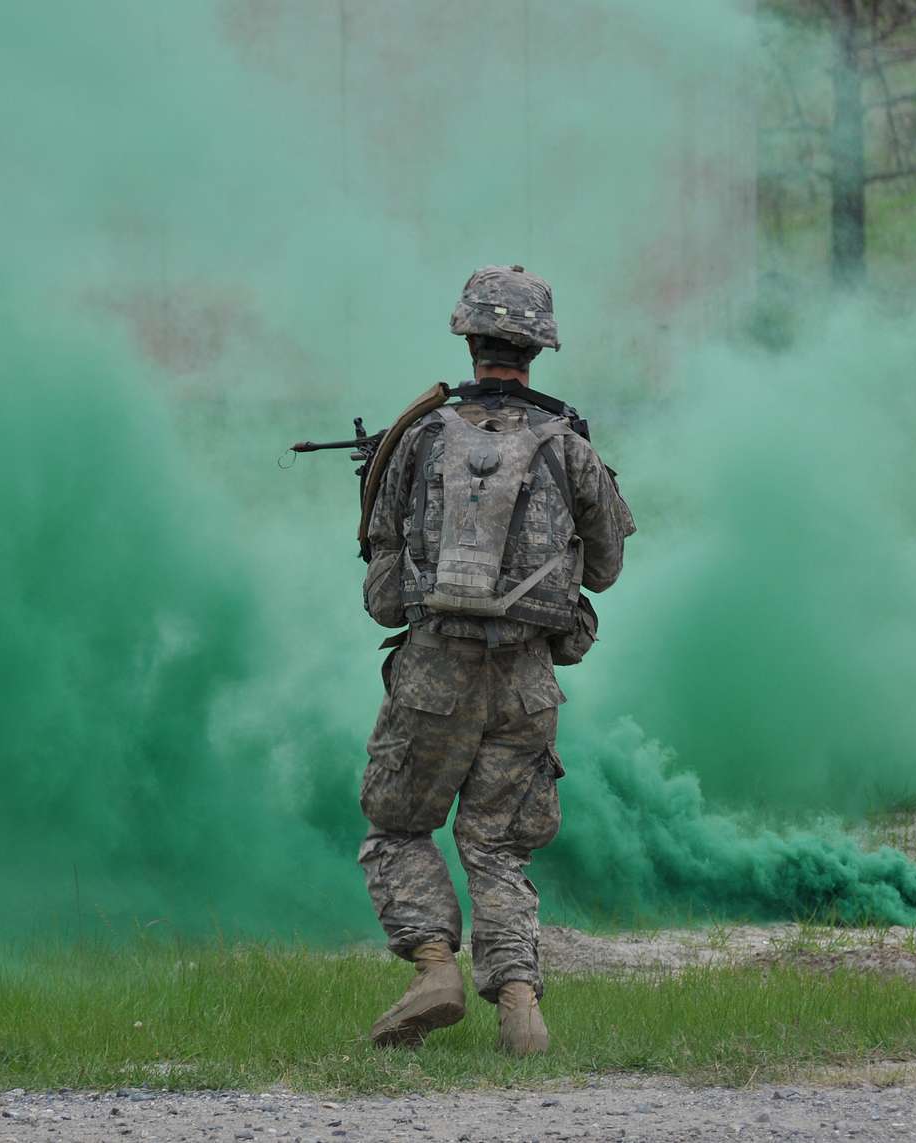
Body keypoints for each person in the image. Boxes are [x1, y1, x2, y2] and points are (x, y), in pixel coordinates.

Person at [356, 265, 635, 1053]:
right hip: (524, 684)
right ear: (535, 350)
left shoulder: (418, 438)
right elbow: (607, 566)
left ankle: (436, 966)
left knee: (398, 829)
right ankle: (519, 1007)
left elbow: (382, 599)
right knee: (499, 847)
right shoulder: (570, 447)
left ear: (469, 339)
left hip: (431, 678)